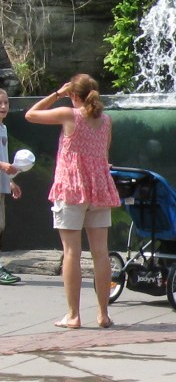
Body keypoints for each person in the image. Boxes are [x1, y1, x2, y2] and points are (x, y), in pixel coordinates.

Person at [25, 74, 119, 329]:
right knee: (101, 253)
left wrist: (58, 93)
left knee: (71, 253)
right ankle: (103, 314)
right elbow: (104, 153)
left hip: (71, 189)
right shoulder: (106, 120)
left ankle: (74, 315)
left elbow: (30, 114)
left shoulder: (69, 114)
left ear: (73, 95)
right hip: (99, 189)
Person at [0, 89, 25, 285]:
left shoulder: (3, 128)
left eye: (6, 103)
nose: (3, 107)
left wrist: (10, 181)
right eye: (0, 103)